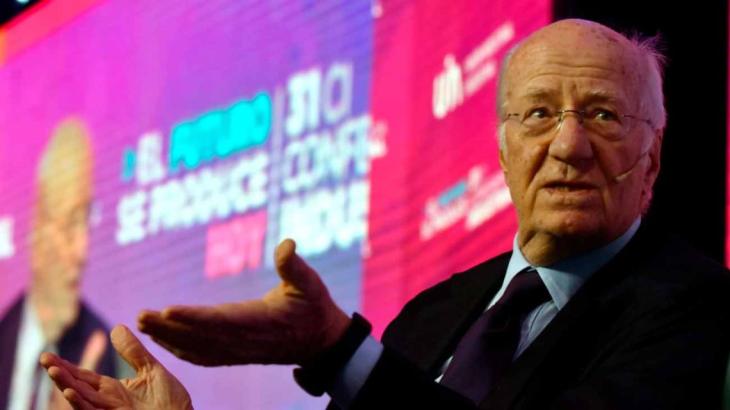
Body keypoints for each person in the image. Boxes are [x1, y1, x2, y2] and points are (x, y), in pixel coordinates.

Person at [41, 19, 730, 409]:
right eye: (539, 114)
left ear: (653, 157)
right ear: (503, 148)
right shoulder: (434, 310)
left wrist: (340, 351)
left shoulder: (702, 310)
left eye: (604, 116)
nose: (570, 145)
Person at [0, 119, 119, 410]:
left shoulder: (103, 358)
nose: (82, 252)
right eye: (69, 225)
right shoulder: (3, 333)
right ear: (37, 228)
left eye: (85, 222)